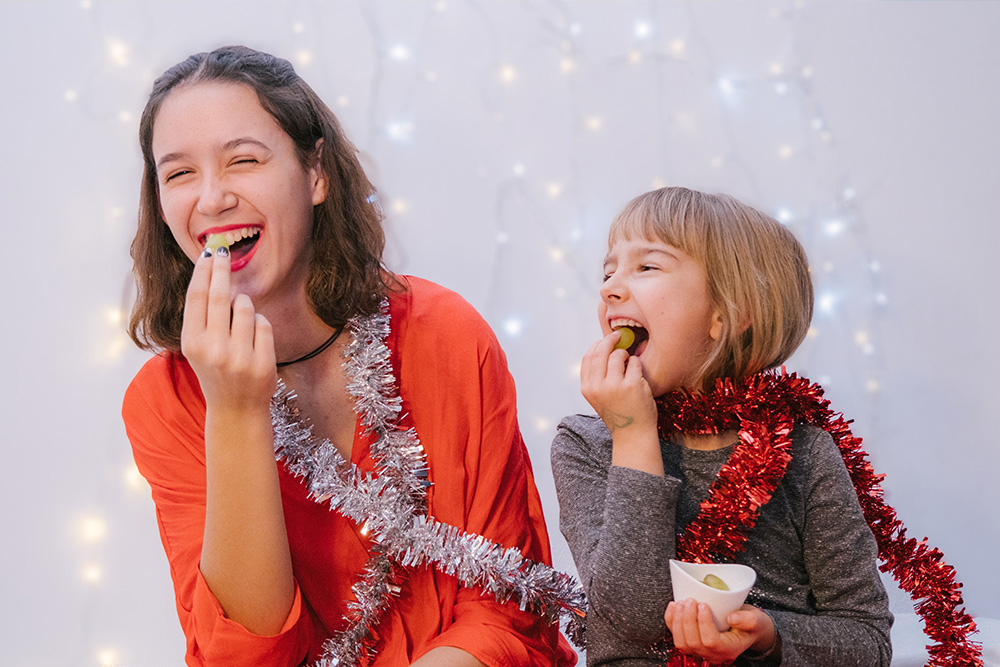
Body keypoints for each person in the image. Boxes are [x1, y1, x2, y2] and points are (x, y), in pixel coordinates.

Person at [122, 45, 576, 667]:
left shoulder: (445, 335)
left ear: (315, 175)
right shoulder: (166, 400)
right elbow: (248, 655)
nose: (211, 198)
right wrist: (234, 413)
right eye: (177, 174)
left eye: (244, 160)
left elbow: (508, 615)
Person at [550, 187, 894, 665]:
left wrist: (769, 636)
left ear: (729, 313)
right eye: (608, 272)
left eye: (646, 267)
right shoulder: (586, 444)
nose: (610, 287)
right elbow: (632, 617)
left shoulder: (803, 451)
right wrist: (632, 433)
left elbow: (867, 640)